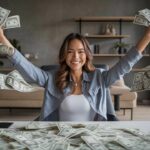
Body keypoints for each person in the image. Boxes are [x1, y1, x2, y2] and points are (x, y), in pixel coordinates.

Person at [0, 27, 150, 121]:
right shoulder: (51, 78)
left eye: (80, 52)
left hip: (91, 138)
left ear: (87, 54)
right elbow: (25, 67)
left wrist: (147, 36)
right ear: (64, 55)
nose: (76, 57)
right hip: (60, 138)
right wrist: (2, 38)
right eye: (70, 52)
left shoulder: (100, 77)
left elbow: (125, 64)